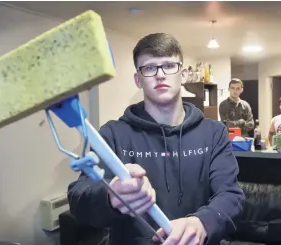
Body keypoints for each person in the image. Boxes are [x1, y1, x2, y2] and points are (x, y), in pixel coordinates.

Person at [68, 33, 245, 245]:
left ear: (184, 74)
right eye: (150, 68)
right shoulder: (113, 134)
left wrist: (201, 223)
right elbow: (78, 197)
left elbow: (231, 195)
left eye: (169, 65)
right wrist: (110, 195)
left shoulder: (214, 133)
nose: (160, 75)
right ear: (138, 79)